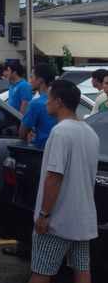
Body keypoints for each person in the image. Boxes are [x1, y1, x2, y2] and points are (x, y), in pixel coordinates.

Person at [28, 80, 99, 283]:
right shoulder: (90, 133)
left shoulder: (60, 132)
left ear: (58, 102)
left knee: (41, 272)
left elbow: (54, 177)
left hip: (57, 220)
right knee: (82, 270)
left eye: (48, 99)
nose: (45, 103)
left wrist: (44, 215)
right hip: (82, 219)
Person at [20, 64, 58, 149]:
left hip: (42, 151)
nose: (29, 81)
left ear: (40, 80)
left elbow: (22, 134)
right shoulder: (60, 100)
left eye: (32, 77)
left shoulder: (36, 104)